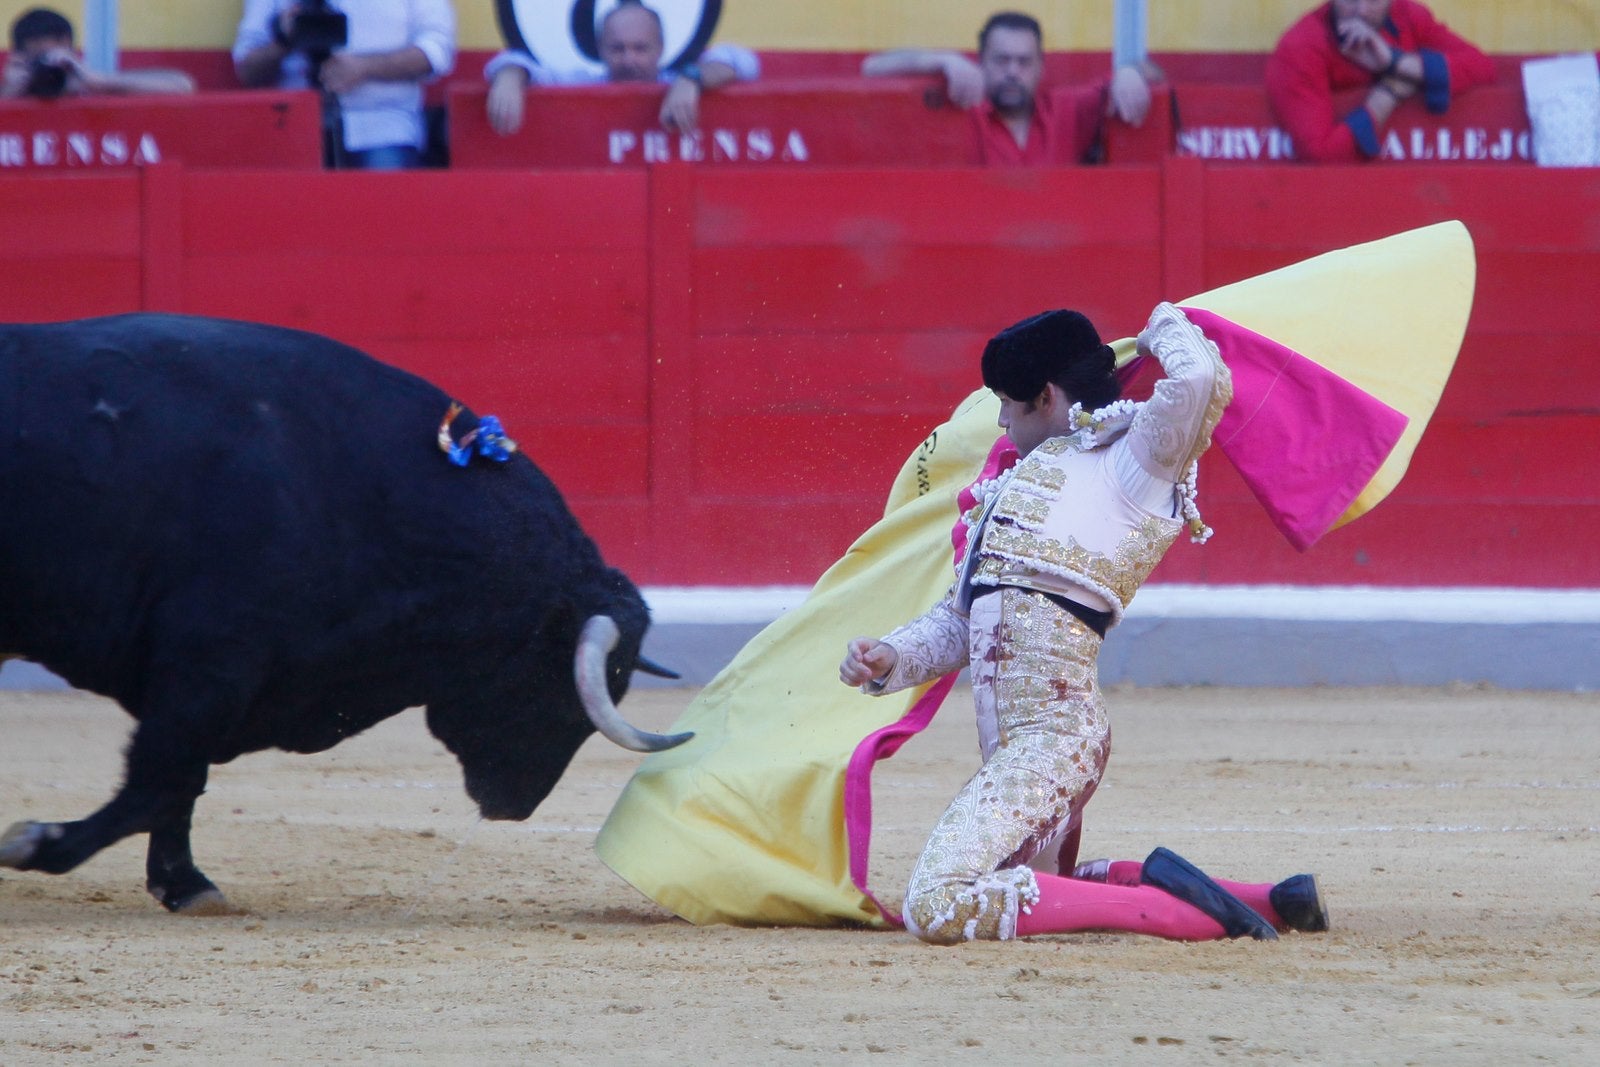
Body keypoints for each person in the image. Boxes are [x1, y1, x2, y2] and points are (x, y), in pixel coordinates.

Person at [837, 303, 1330, 944]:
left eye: (1009, 404)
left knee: (939, 900)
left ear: (1045, 395)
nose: (1001, 421)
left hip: (1055, 738)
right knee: (1017, 880)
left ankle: (1199, 920)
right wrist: (892, 657)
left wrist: (1161, 323)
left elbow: (1201, 380)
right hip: (1017, 744)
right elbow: (965, 619)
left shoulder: (1134, 460)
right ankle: (1265, 900)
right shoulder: (1013, 486)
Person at [861, 10, 1162, 166]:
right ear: (981, 62)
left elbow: (1157, 77)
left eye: (1023, 62)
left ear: (1041, 67)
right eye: (1002, 60)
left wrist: (1130, 72)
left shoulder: (1067, 111)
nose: (1012, 72)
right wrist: (941, 59)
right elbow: (871, 68)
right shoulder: (960, 108)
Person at [233, 0, 456, 170]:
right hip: (293, 132)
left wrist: (365, 68)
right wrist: (285, 39)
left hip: (382, 127)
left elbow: (437, 51)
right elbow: (247, 70)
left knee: (388, 217)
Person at [484, 0, 759, 136]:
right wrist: (509, 78)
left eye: (640, 48)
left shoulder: (675, 78)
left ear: (661, 49)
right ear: (600, 50)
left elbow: (742, 60)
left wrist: (691, 79)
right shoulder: (583, 82)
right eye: (618, 49)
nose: (629, 59)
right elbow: (520, 63)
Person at [1266, 0, 1497, 162]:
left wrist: (1395, 62)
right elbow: (1319, 154)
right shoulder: (1301, 46)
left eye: (1374, 0)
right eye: (1350, 0)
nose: (1362, 11)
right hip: (1336, 195)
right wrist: (1389, 93)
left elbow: (1483, 68)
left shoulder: (1407, 15)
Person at [2, 7, 195, 99]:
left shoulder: (87, 84)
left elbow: (182, 86)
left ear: (70, 52)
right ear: (19, 57)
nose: (46, 70)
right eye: (37, 61)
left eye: (50, 59)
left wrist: (98, 81)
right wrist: (10, 92)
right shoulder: (14, 88)